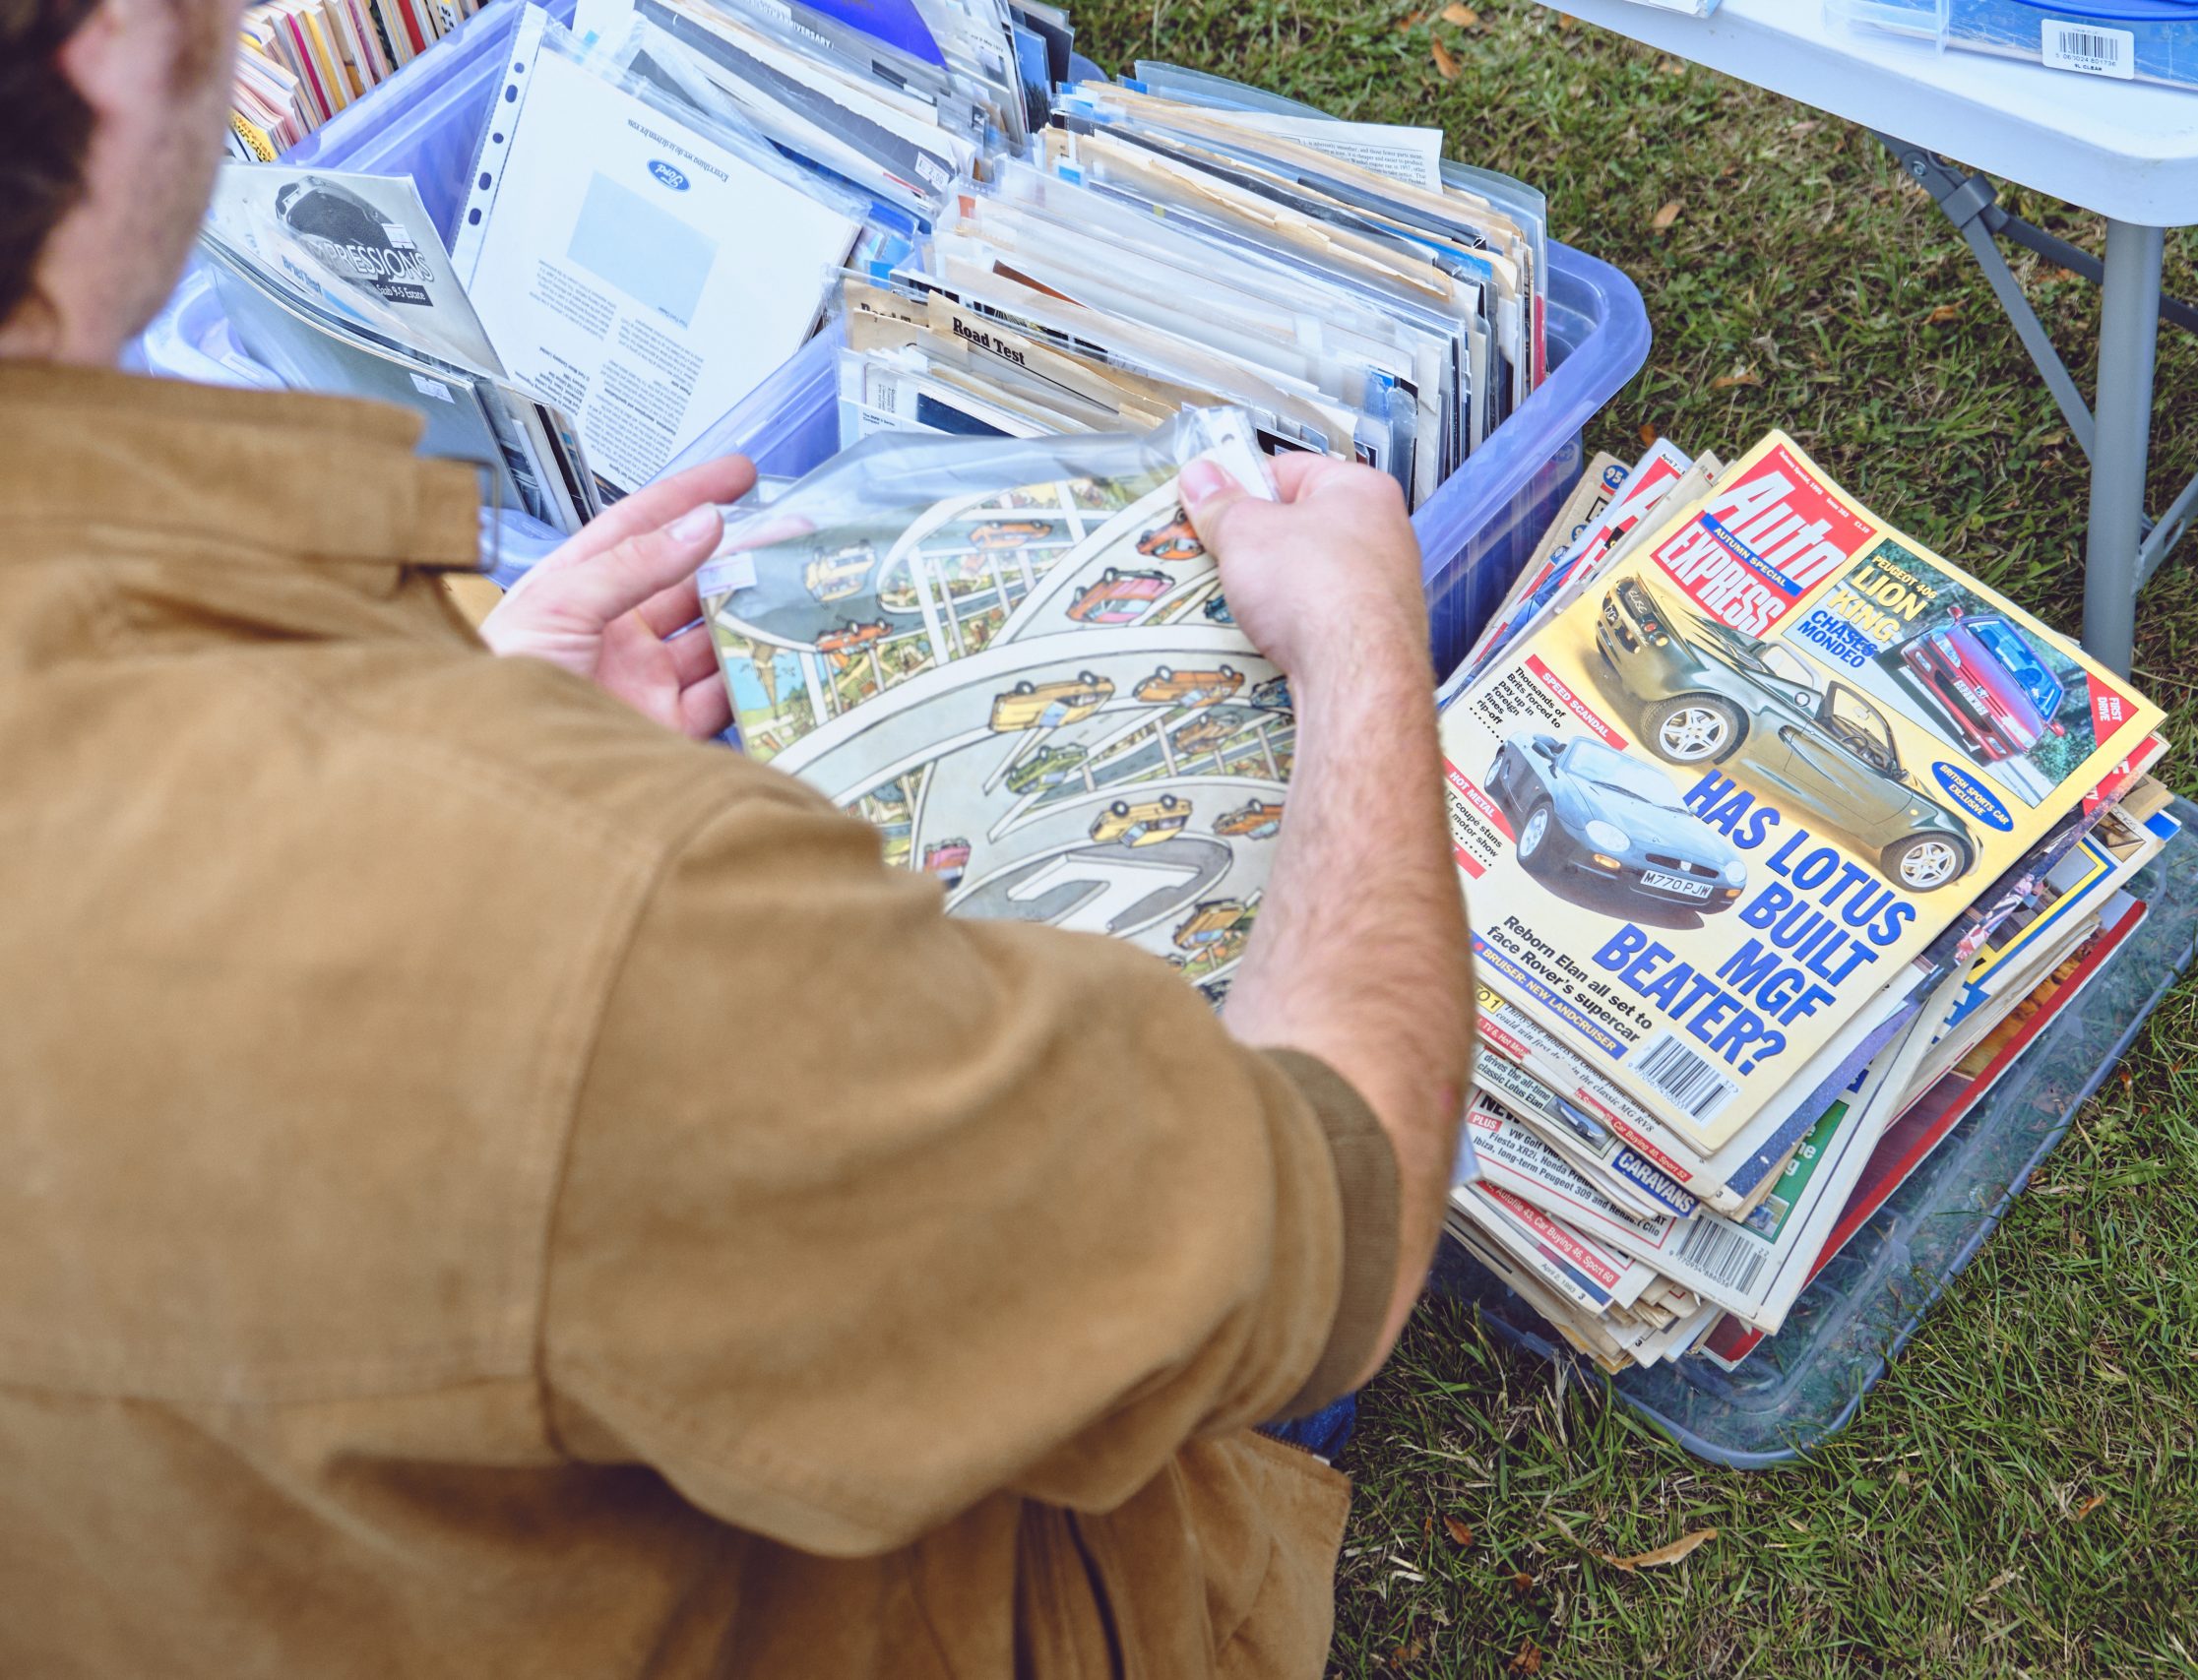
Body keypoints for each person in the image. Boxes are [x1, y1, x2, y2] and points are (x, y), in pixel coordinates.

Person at [0, 2, 1472, 1675]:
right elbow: (1327, 1228)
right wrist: (1367, 656)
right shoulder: (600, 932)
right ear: (108, 53)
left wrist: (446, 716)